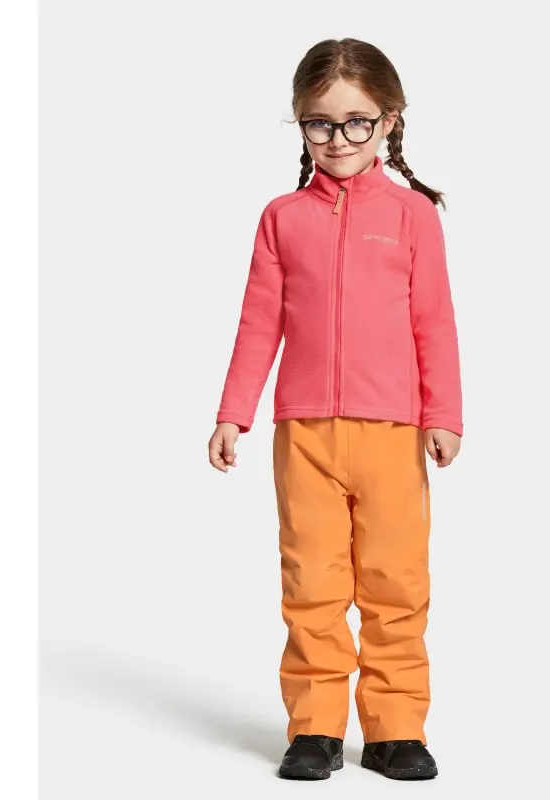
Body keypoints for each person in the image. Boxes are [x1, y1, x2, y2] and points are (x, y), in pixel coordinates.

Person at [208, 37, 463, 781]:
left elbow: (434, 320)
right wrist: (234, 412)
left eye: (357, 122)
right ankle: (315, 727)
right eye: (320, 122)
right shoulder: (282, 218)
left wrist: (443, 412)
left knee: (395, 583)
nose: (339, 138)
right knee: (311, 584)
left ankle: (395, 729)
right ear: (300, 123)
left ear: (390, 121)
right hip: (305, 435)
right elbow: (259, 322)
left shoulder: (413, 216)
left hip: (393, 434)